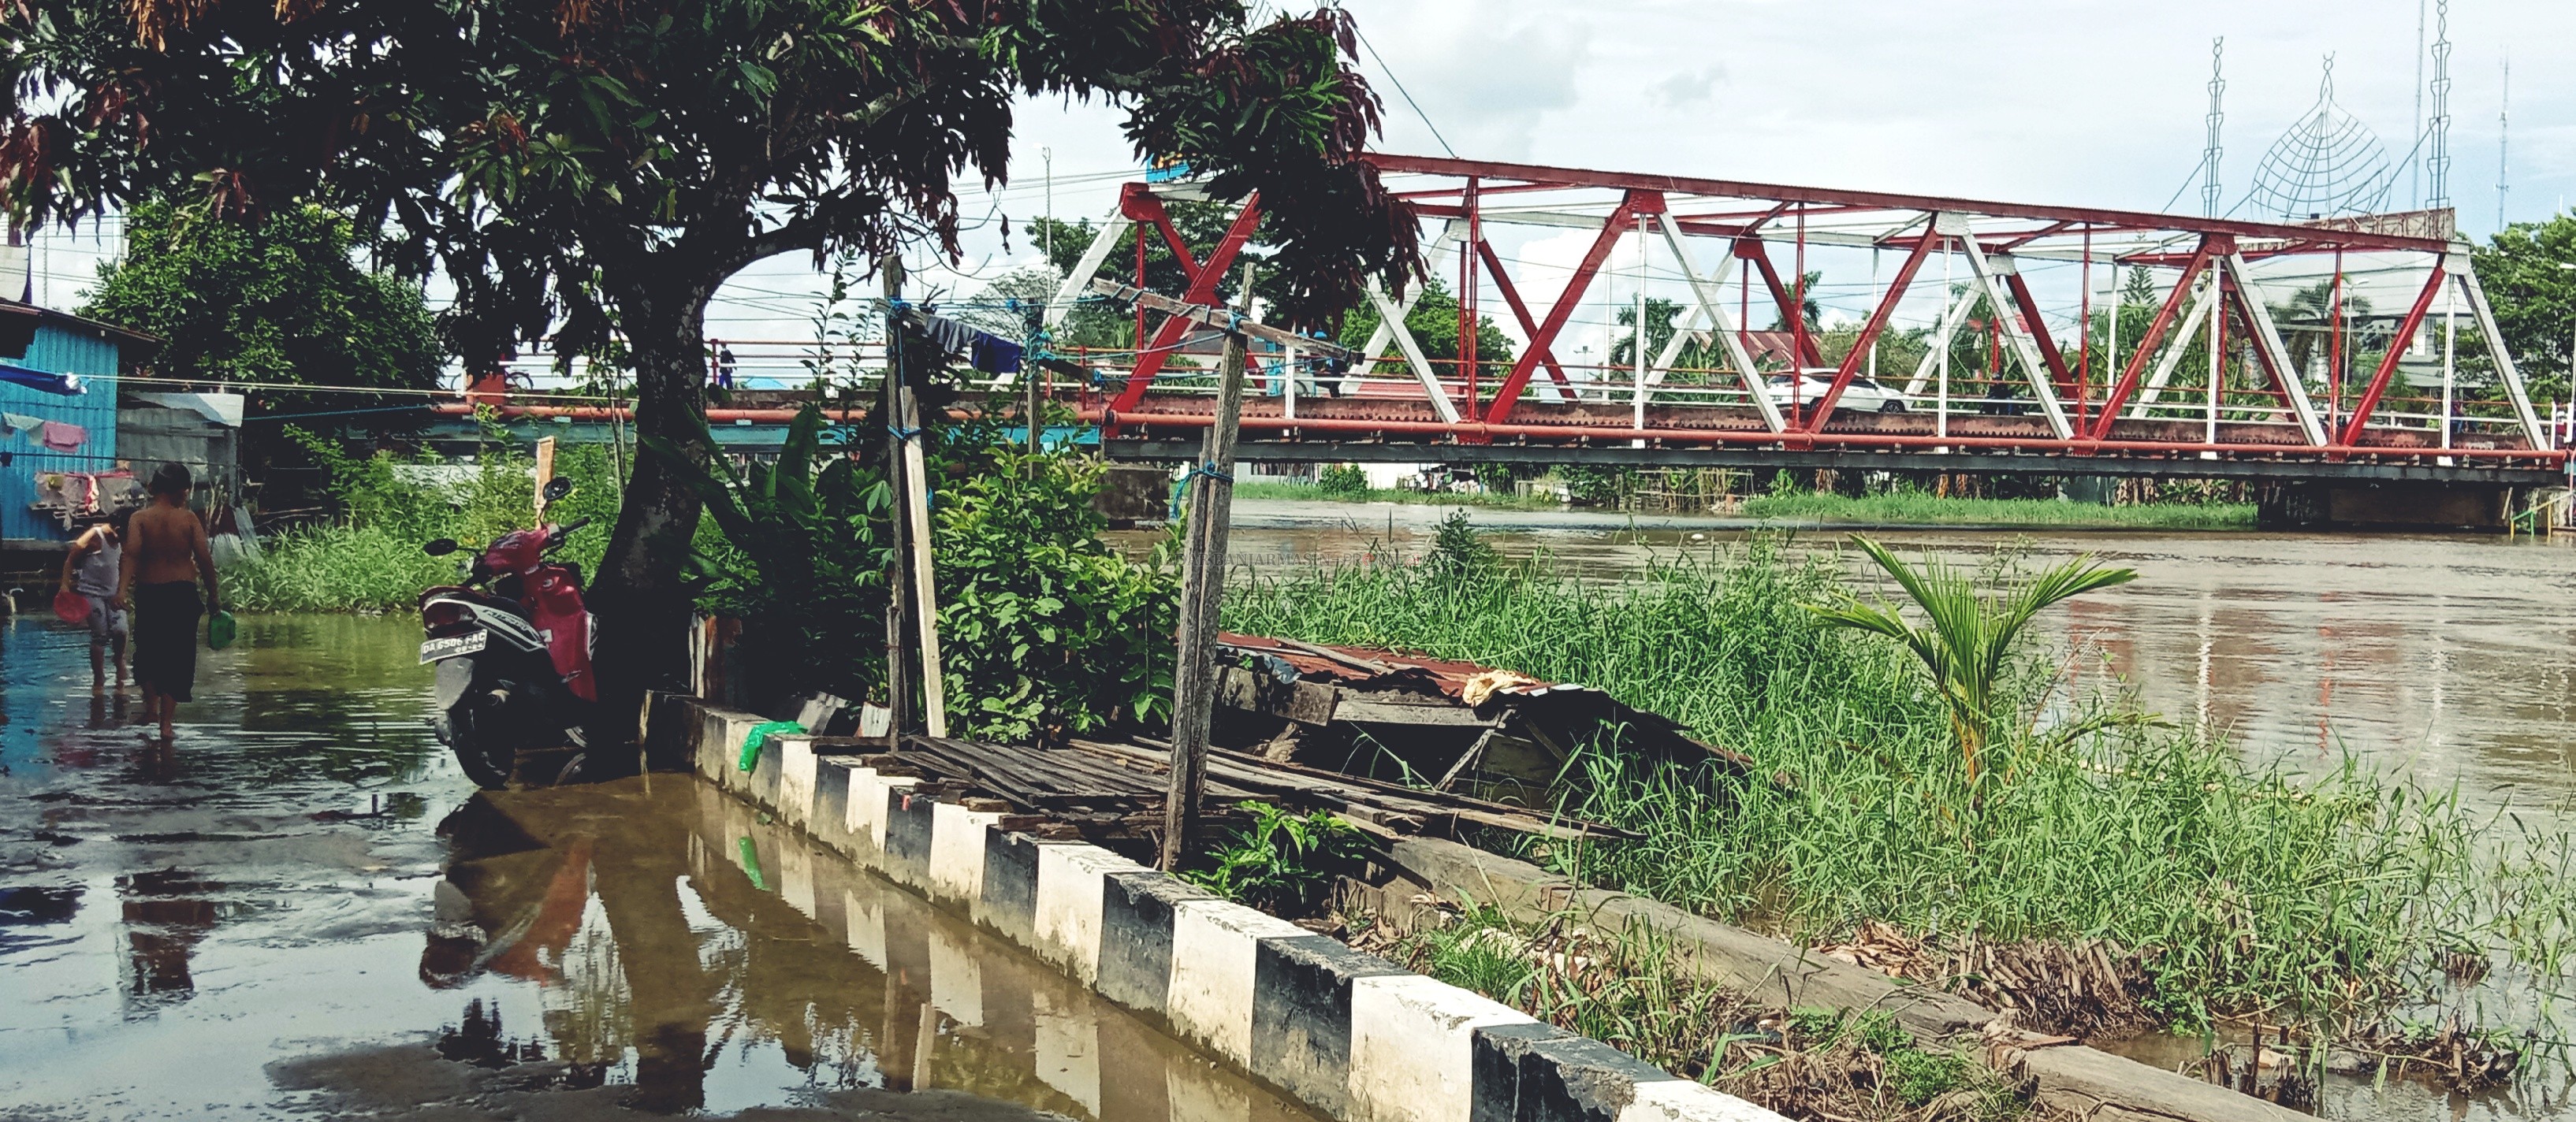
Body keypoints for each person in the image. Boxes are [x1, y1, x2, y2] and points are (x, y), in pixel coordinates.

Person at [116, 464, 219, 742]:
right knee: (178, 656)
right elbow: (204, 559)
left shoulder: (140, 518)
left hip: (150, 593)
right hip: (182, 593)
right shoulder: (189, 519)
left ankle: (151, 709)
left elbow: (131, 554)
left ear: (153, 488)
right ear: (181, 491)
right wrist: (214, 596)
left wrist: (121, 591)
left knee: (147, 652)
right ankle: (166, 724)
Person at [61, 506, 131, 694]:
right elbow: (70, 560)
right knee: (100, 635)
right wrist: (65, 586)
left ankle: (119, 660)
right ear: (118, 530)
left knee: (121, 630)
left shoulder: (123, 541)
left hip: (113, 593)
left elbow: (124, 563)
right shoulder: (94, 536)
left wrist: (122, 591)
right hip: (91, 594)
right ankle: (99, 679)